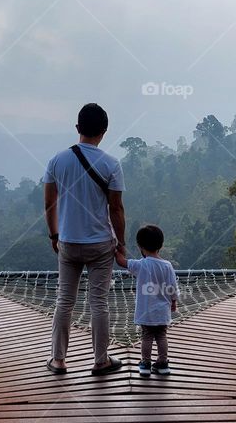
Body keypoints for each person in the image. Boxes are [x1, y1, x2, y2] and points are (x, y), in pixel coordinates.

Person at [43, 103, 127, 375]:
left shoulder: (57, 161)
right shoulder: (111, 164)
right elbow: (116, 209)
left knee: (64, 301)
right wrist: (121, 243)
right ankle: (101, 361)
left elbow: (50, 204)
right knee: (98, 302)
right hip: (100, 244)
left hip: (68, 242)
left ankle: (58, 360)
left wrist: (54, 235)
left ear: (77, 128)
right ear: (104, 131)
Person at [115, 225, 179, 377]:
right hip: (162, 311)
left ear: (140, 246)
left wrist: (117, 249)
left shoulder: (141, 264)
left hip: (146, 311)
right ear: (160, 245)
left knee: (147, 336)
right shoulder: (168, 266)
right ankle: (163, 363)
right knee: (161, 336)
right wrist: (174, 302)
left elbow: (122, 262)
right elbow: (172, 287)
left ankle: (145, 363)